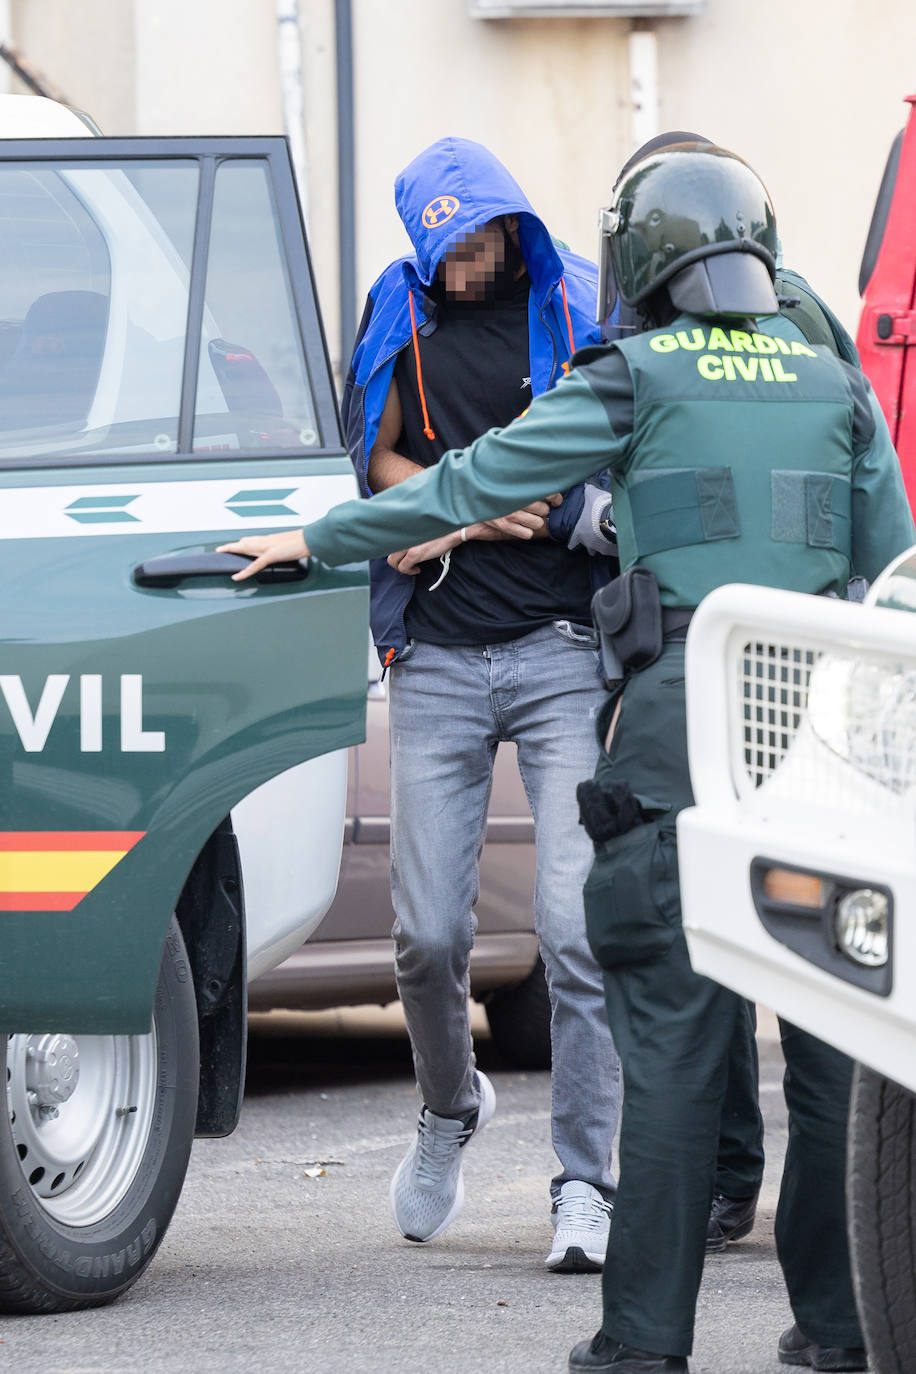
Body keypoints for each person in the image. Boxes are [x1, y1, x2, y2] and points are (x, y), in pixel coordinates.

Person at [220, 140, 915, 1372]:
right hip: (827, 759)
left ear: (638, 260)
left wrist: (317, 542)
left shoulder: (628, 375)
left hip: (678, 736)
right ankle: (839, 1335)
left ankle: (643, 1346)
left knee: (676, 1056)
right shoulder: (837, 380)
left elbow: (460, 490)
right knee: (830, 1060)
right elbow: (890, 582)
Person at [337, 136, 624, 1271]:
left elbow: (608, 455)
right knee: (428, 936)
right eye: (440, 249)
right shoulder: (396, 311)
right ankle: (449, 1108)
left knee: (571, 929)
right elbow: (378, 462)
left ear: (510, 227)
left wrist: (534, 505)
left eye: (476, 242)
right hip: (442, 655)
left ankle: (584, 1184)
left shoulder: (574, 303)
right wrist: (463, 507)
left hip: (560, 649)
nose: (461, 266)